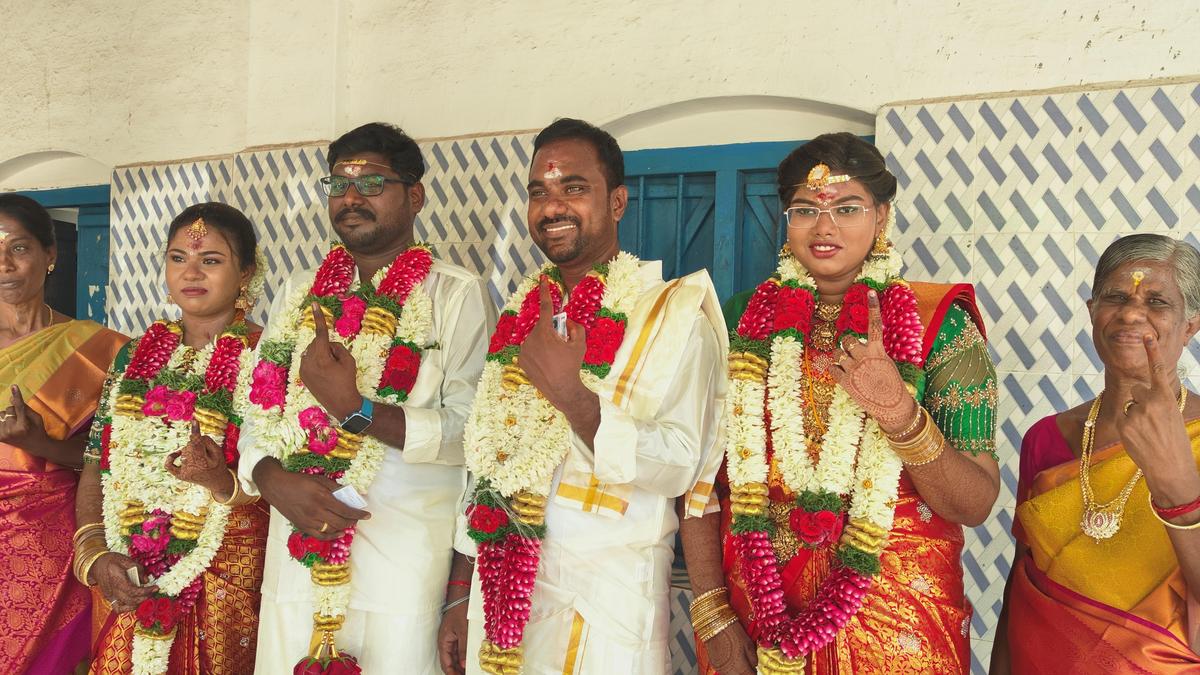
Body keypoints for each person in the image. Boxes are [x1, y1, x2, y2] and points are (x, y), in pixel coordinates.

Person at [682, 132, 1000, 674]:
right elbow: (698, 481)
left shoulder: (937, 323)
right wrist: (713, 613)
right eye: (805, 210)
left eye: (847, 208)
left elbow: (974, 504)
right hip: (758, 603)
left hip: (896, 615)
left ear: (882, 216)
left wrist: (900, 415)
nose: (824, 227)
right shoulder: (737, 321)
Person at [436, 118, 728, 675]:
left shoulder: (672, 312)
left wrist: (576, 399)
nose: (553, 207)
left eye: (574, 188)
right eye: (539, 192)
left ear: (616, 201)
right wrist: (458, 591)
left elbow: (678, 468)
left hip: (606, 601)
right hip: (499, 590)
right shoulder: (521, 312)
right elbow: (484, 462)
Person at [238, 122, 491, 673]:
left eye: (372, 183)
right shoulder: (299, 292)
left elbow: (473, 433)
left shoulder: (456, 293)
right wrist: (270, 478)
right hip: (296, 550)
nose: (351, 198)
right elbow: (256, 412)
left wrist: (356, 410)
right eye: (338, 184)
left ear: (415, 195)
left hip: (402, 561)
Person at [74, 202, 268, 674]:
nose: (191, 272)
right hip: (130, 559)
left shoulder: (270, 355)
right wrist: (95, 552)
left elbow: (285, 471)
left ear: (246, 272)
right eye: (178, 257)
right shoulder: (132, 358)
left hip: (228, 565)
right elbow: (97, 461)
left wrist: (220, 482)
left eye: (212, 260)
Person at [992, 234, 1200, 673]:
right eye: (1116, 297)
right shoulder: (1045, 438)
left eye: (1158, 302)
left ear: (1191, 325)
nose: (1130, 313)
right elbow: (1022, 589)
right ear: (1092, 311)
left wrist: (1178, 492)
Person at [0, 194, 126, 673]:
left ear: (50, 254)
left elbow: (114, 457)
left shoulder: (98, 349)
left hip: (53, 541)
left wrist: (40, 445)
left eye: (20, 248)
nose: (6, 265)